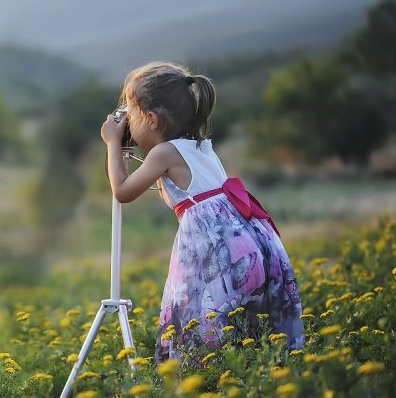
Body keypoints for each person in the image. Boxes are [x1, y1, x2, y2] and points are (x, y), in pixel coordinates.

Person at [100, 61, 303, 362]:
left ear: (152, 119)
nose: (126, 119)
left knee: (201, 319)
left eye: (130, 110)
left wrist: (112, 143)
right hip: (252, 244)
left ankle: (204, 378)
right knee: (245, 326)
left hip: (214, 252)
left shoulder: (163, 153)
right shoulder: (201, 145)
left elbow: (122, 191)